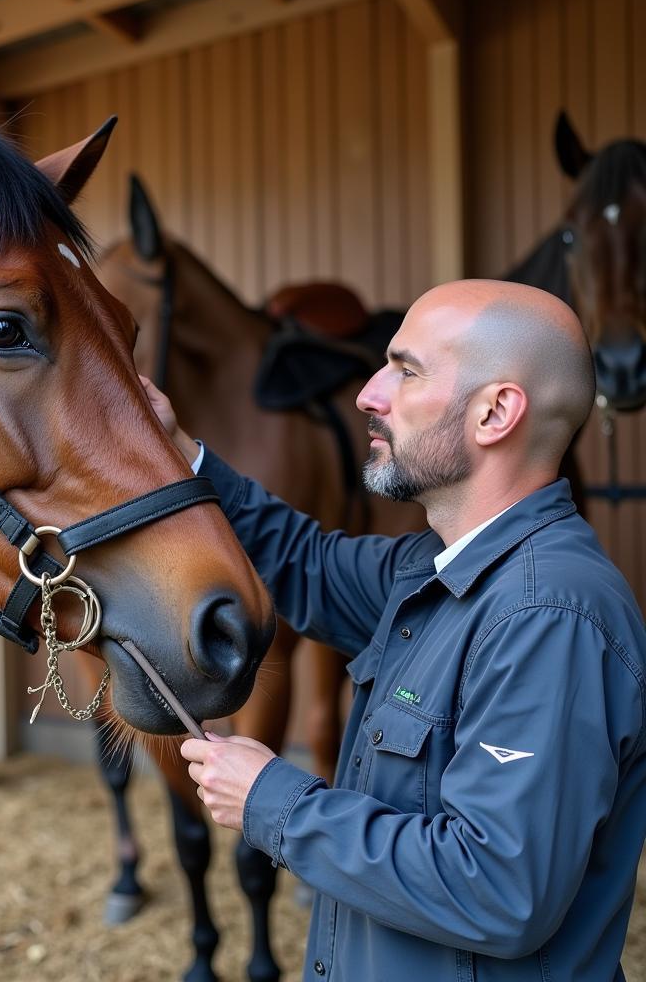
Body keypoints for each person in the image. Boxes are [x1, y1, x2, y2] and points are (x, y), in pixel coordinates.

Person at [144, 279, 646, 981]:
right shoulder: (431, 569)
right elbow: (303, 562)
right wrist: (175, 448)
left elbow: (500, 891)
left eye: (405, 370)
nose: (367, 395)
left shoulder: (549, 616)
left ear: (495, 413)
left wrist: (273, 801)